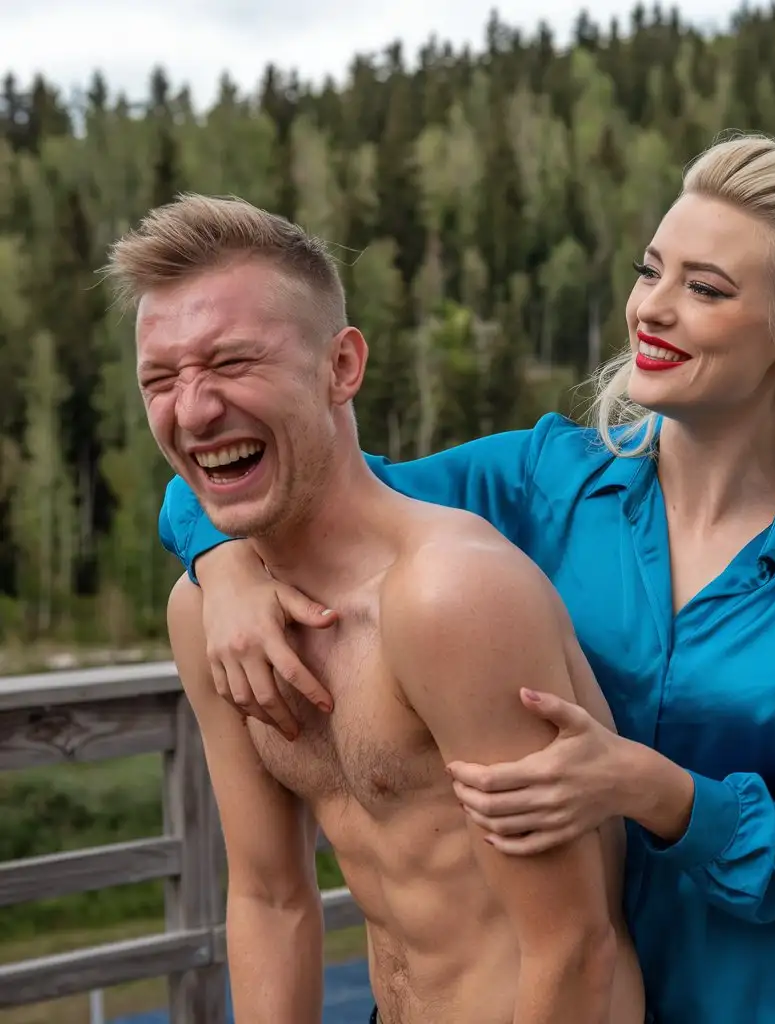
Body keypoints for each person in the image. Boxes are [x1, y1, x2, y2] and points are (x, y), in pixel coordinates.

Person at [158, 135, 775, 1024]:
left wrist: (652, 788)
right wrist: (223, 571)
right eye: (651, 272)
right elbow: (301, 476)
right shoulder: (538, 479)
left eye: (705, 288)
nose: (654, 309)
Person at [110, 193, 645, 1024]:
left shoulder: (451, 596)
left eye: (231, 363)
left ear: (342, 367)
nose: (193, 409)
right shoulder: (208, 611)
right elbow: (268, 898)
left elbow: (573, 947)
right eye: (161, 379)